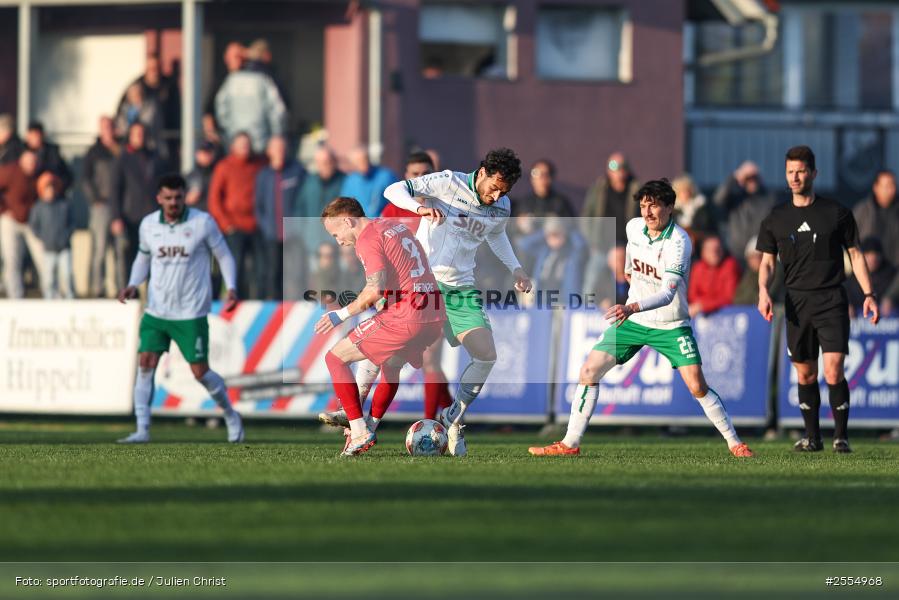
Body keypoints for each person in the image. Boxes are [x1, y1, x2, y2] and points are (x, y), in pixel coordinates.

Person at [529, 179, 754, 458]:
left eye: (654, 206)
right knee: (589, 371)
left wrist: (631, 306)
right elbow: (632, 255)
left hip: (670, 324)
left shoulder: (679, 241)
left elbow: (668, 294)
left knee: (697, 385)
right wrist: (626, 269)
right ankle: (570, 443)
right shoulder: (634, 227)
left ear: (670, 208)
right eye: (643, 205)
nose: (647, 212)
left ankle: (736, 444)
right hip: (635, 323)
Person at [382, 148, 533, 456]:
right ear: (483, 172)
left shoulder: (501, 205)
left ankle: (452, 418)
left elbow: (496, 235)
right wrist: (418, 209)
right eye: (494, 188)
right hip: (423, 282)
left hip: (461, 289)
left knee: (486, 355)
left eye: (503, 192)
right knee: (393, 353)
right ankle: (361, 426)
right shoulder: (448, 182)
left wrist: (515, 267)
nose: (495, 196)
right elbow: (392, 189)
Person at [757, 145, 879, 453]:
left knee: (834, 368)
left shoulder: (837, 213)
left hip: (832, 299)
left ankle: (841, 436)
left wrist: (868, 294)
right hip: (797, 303)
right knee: (805, 372)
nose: (795, 178)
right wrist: (763, 292)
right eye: (790, 172)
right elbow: (768, 262)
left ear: (813, 173)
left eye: (800, 171)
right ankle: (812, 437)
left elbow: (855, 254)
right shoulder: (776, 218)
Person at [319, 149, 453, 425]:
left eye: (427, 174)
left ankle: (361, 422)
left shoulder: (445, 206)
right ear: (407, 177)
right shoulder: (393, 213)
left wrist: (340, 314)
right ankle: (377, 421)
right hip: (414, 297)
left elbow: (375, 251)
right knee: (388, 363)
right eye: (416, 175)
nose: (421, 179)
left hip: (430, 291)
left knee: (424, 362)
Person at [313, 197, 445, 456]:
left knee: (335, 358)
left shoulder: (367, 239)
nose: (337, 241)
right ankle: (367, 425)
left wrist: (340, 315)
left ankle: (358, 427)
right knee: (391, 367)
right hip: (433, 314)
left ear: (348, 220)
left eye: (336, 233)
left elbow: (373, 290)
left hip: (407, 316)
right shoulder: (393, 226)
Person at [117, 174, 242, 444]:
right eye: (168, 198)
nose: (174, 203)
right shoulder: (149, 225)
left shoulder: (202, 222)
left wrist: (231, 287)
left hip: (190, 313)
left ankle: (231, 415)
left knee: (200, 372)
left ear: (184, 196)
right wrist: (131, 283)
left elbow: (224, 255)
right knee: (146, 363)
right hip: (157, 311)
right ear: (159, 198)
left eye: (178, 197)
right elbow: (143, 257)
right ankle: (142, 429)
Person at [207, 132, 266, 299]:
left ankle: (259, 304)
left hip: (256, 225)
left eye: (247, 144)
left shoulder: (258, 165)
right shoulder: (224, 167)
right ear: (233, 147)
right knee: (235, 267)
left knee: (260, 268)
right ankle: (235, 302)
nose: (245, 148)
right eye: (241, 145)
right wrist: (226, 225)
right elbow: (214, 200)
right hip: (234, 227)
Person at [111, 122, 168, 287]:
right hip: (130, 217)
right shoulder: (122, 159)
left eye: (142, 134)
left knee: (154, 258)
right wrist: (116, 217)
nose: (139, 138)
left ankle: (153, 295)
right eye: (136, 134)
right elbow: (115, 190)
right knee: (131, 257)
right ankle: (130, 292)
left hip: (152, 217)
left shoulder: (155, 158)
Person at [254, 135, 305, 300]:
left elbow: (303, 200)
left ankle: (295, 307)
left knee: (295, 273)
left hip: (294, 233)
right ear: (269, 151)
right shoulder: (263, 175)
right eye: (276, 149)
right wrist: (266, 226)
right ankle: (275, 308)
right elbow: (259, 205)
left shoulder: (297, 171)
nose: (280, 152)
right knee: (273, 273)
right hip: (272, 234)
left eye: (282, 149)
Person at [214, 43, 287, 153]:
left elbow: (221, 111)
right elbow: (278, 110)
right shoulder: (264, 80)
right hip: (261, 142)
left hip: (236, 142)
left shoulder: (230, 81)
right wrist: (276, 134)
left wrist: (229, 131)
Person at [82, 116, 122, 296]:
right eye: (104, 127)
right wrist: (95, 200)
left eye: (110, 127)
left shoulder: (121, 150)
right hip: (102, 206)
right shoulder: (94, 152)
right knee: (99, 248)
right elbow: (85, 179)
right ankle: (97, 288)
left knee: (120, 248)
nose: (108, 130)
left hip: (120, 206)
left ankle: (121, 288)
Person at [0, 150, 43, 298]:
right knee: (12, 259)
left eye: (34, 163)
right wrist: (3, 208)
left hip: (30, 221)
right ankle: (15, 295)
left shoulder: (36, 176)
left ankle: (52, 292)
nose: (32, 166)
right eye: (29, 163)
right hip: (10, 220)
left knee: (42, 255)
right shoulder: (10, 172)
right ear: (22, 162)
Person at [714, 160, 775, 262]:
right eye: (748, 178)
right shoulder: (735, 197)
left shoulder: (768, 198)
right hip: (736, 253)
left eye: (754, 178)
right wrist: (735, 176)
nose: (751, 181)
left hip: (758, 254)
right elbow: (718, 200)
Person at [29, 172, 75, 299]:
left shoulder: (64, 204)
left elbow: (71, 223)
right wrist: (44, 238)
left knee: (66, 275)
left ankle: (70, 298)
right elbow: (34, 226)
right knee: (48, 278)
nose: (50, 192)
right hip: (48, 248)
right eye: (47, 189)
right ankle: (49, 299)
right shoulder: (38, 207)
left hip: (64, 247)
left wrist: (66, 236)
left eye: (52, 189)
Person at [581, 152, 641, 246]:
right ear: (608, 170)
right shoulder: (598, 190)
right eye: (613, 166)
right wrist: (592, 242)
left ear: (627, 170)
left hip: (629, 244)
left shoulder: (638, 191)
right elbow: (586, 217)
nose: (619, 171)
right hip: (601, 246)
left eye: (622, 167)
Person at [296, 145, 345, 258]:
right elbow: (300, 209)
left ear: (334, 161)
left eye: (328, 161)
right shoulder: (309, 182)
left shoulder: (344, 181)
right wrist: (302, 234)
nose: (325, 165)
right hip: (312, 243)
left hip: (337, 244)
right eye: (321, 162)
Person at [853, 170, 899, 269]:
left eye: (893, 185)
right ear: (876, 187)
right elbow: (851, 241)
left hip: (895, 273)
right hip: (867, 271)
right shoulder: (862, 211)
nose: (891, 190)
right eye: (886, 186)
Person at [687, 235, 740, 317]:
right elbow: (693, 295)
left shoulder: (730, 265)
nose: (714, 252)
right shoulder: (698, 268)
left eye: (717, 249)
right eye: (710, 250)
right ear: (703, 252)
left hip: (726, 316)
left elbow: (729, 297)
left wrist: (703, 305)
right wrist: (701, 305)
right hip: (702, 316)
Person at [844, 238, 896, 317]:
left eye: (876, 255)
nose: (873, 259)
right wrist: (846, 304)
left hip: (889, 324)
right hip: (859, 324)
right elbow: (844, 291)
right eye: (869, 255)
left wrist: (892, 299)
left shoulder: (892, 275)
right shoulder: (852, 278)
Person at [339, 146, 398, 217]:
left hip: (383, 223)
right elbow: (345, 206)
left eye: (364, 159)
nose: (363, 164)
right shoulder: (350, 181)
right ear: (353, 164)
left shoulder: (386, 176)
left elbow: (398, 201)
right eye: (358, 161)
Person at [25, 122, 73, 193]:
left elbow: (66, 176)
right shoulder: (20, 152)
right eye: (32, 135)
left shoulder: (52, 153)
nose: (35, 139)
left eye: (37, 135)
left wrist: (56, 185)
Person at [733, 236, 782, 306]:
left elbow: (766, 297)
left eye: (756, 256)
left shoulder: (774, 271)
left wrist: (748, 299)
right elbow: (737, 299)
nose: (752, 261)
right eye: (750, 257)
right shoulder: (749, 274)